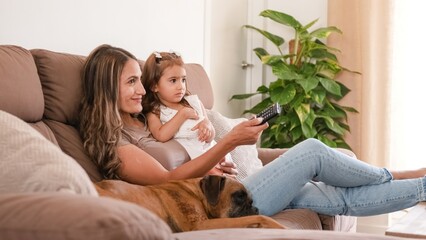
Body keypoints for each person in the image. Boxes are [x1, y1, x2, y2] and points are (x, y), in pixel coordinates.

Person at [79, 44, 426, 218]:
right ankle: (393, 172)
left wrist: (222, 146)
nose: (141, 89)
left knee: (336, 200)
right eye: (130, 82)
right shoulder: (118, 145)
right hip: (222, 204)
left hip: (228, 186)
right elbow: (168, 182)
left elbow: (192, 146)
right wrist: (226, 143)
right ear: (107, 88)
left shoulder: (150, 116)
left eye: (141, 81)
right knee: (312, 151)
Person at [140, 51, 232, 176]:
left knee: (229, 179)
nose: (181, 86)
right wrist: (182, 115)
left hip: (214, 152)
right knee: (222, 182)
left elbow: (211, 133)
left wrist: (207, 127)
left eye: (183, 80)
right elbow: (161, 135)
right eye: (173, 81)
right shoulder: (155, 112)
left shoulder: (194, 102)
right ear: (154, 86)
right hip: (198, 162)